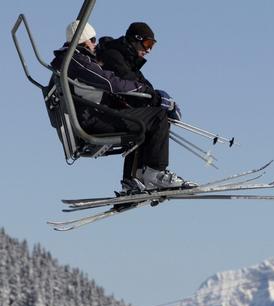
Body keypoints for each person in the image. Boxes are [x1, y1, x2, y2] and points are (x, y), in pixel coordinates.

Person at [50, 20, 193, 191]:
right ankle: (156, 173)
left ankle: (132, 182)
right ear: (84, 40)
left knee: (142, 119)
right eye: (93, 40)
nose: (95, 44)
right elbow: (109, 82)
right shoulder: (75, 60)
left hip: (93, 117)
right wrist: (145, 91)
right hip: (93, 121)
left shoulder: (74, 60)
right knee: (157, 116)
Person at [96, 22, 183, 187]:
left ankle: (134, 179)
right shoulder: (114, 56)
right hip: (105, 114)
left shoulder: (126, 58)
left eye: (153, 45)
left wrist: (162, 98)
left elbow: (143, 85)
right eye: (147, 43)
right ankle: (155, 172)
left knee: (144, 123)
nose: (149, 49)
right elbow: (130, 85)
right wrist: (157, 100)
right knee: (157, 117)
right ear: (135, 40)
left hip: (108, 112)